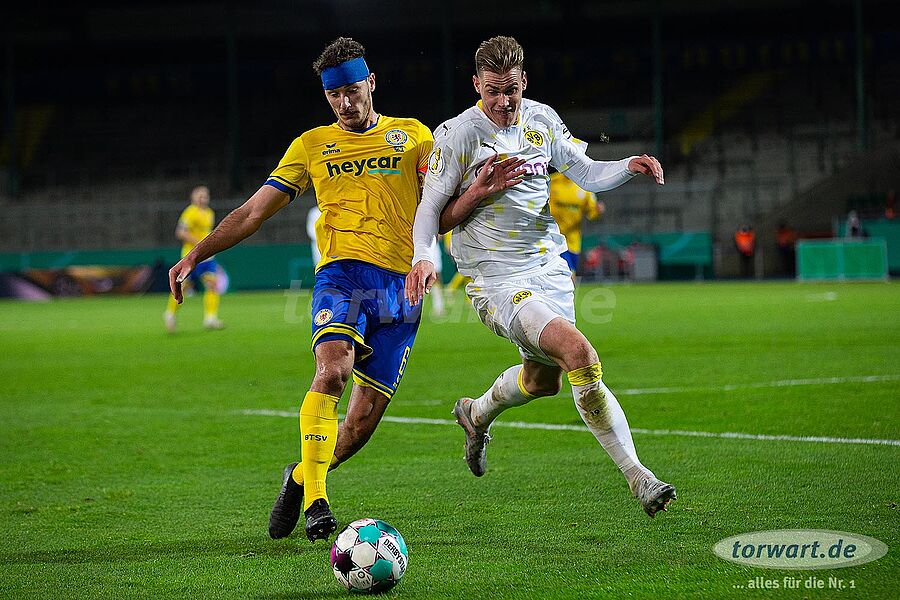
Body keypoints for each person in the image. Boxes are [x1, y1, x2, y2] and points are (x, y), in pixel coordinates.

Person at [168, 37, 438, 542]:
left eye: (353, 90)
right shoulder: (312, 145)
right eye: (334, 95)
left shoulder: (415, 136)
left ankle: (299, 477)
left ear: (371, 82)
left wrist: (478, 194)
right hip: (342, 276)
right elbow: (253, 212)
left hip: (400, 290)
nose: (345, 102)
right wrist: (196, 254)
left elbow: (440, 206)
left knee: (358, 426)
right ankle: (317, 501)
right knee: (332, 371)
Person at [405, 36, 675, 517]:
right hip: (496, 279)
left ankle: (476, 413)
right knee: (580, 354)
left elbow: (586, 172)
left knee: (543, 380)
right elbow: (430, 211)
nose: (503, 101)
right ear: (476, 85)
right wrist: (423, 258)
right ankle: (639, 477)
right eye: (492, 91)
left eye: (510, 89)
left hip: (549, 268)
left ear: (524, 82)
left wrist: (627, 166)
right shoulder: (457, 136)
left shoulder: (542, 119)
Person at [164, 185, 224, 332]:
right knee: (182, 288)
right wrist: (199, 244)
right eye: (200, 196)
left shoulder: (209, 213)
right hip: (190, 256)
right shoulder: (190, 212)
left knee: (212, 285)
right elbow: (180, 232)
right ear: (193, 198)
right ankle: (170, 314)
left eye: (205, 196)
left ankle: (210, 318)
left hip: (207, 257)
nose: (203, 198)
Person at [548, 169, 605, 279]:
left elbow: (591, 213)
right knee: (567, 273)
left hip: (573, 240)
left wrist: (598, 210)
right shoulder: (552, 181)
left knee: (570, 272)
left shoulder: (584, 186)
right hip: (553, 236)